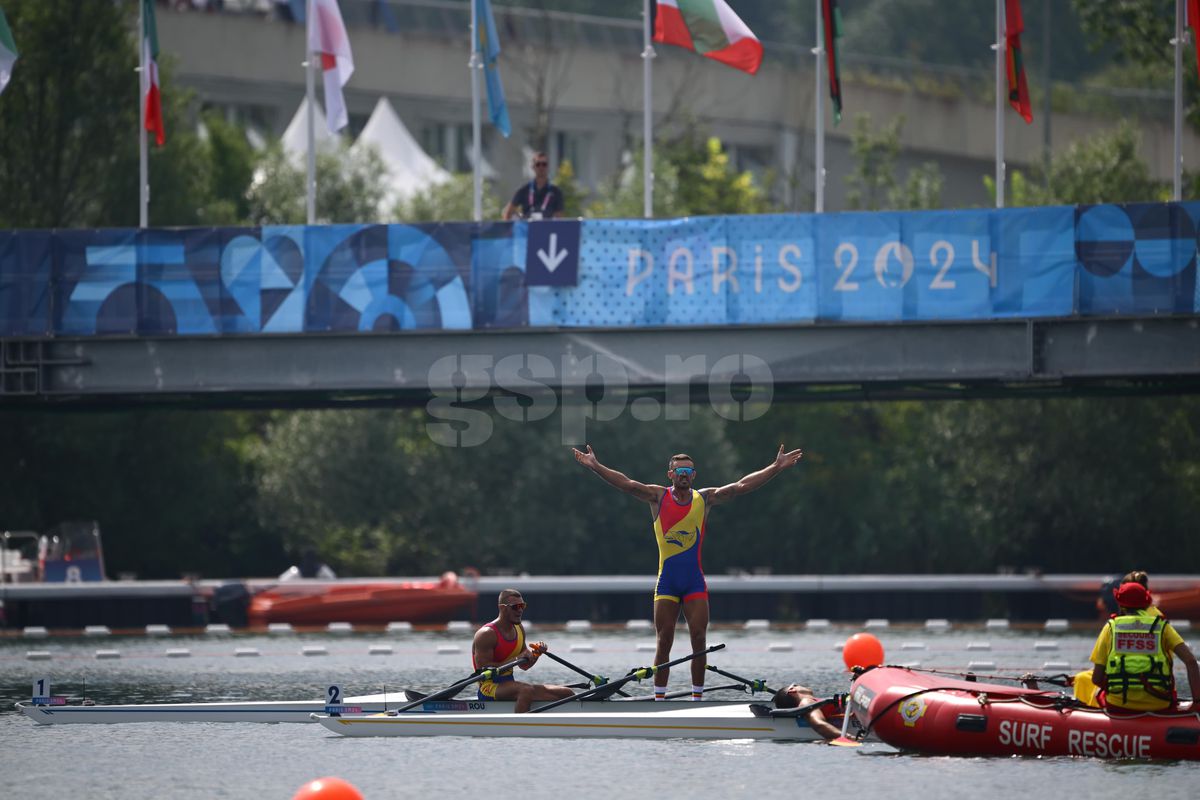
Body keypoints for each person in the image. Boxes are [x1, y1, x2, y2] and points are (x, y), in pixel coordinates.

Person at [572, 444, 804, 701]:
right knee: (665, 641)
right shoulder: (657, 497)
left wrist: (775, 467)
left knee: (699, 639)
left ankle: (697, 699)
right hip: (667, 582)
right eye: (679, 470)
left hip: (694, 582)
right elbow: (627, 484)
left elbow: (741, 486)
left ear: (694, 475)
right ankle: (659, 698)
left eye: (688, 471)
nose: (684, 474)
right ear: (670, 474)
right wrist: (595, 466)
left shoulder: (704, 498)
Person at [1089, 580, 1200, 712]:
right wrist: (1196, 703)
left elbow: (1096, 678)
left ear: (1120, 604)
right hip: (1159, 703)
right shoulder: (1162, 626)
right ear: (1147, 603)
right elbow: (1191, 662)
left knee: (1097, 694)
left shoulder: (1111, 627)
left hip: (1119, 704)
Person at [471, 588, 574, 713]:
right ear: (502, 608)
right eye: (516, 607)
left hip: (509, 684)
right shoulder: (487, 634)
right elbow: (482, 669)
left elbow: (524, 666)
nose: (520, 610)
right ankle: (520, 727)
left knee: (566, 693)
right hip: (488, 687)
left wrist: (535, 654)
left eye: (522, 606)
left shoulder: (519, 629)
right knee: (525, 690)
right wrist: (515, 659)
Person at [502, 151, 564, 221]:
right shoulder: (524, 190)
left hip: (547, 229)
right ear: (533, 167)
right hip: (528, 229)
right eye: (538, 164)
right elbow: (508, 212)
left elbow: (559, 217)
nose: (541, 167)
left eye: (544, 164)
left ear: (548, 167)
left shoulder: (556, 192)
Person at [772, 683, 842, 741]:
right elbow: (819, 724)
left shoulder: (812, 702)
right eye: (796, 684)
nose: (802, 685)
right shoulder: (806, 702)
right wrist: (846, 737)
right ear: (792, 690)